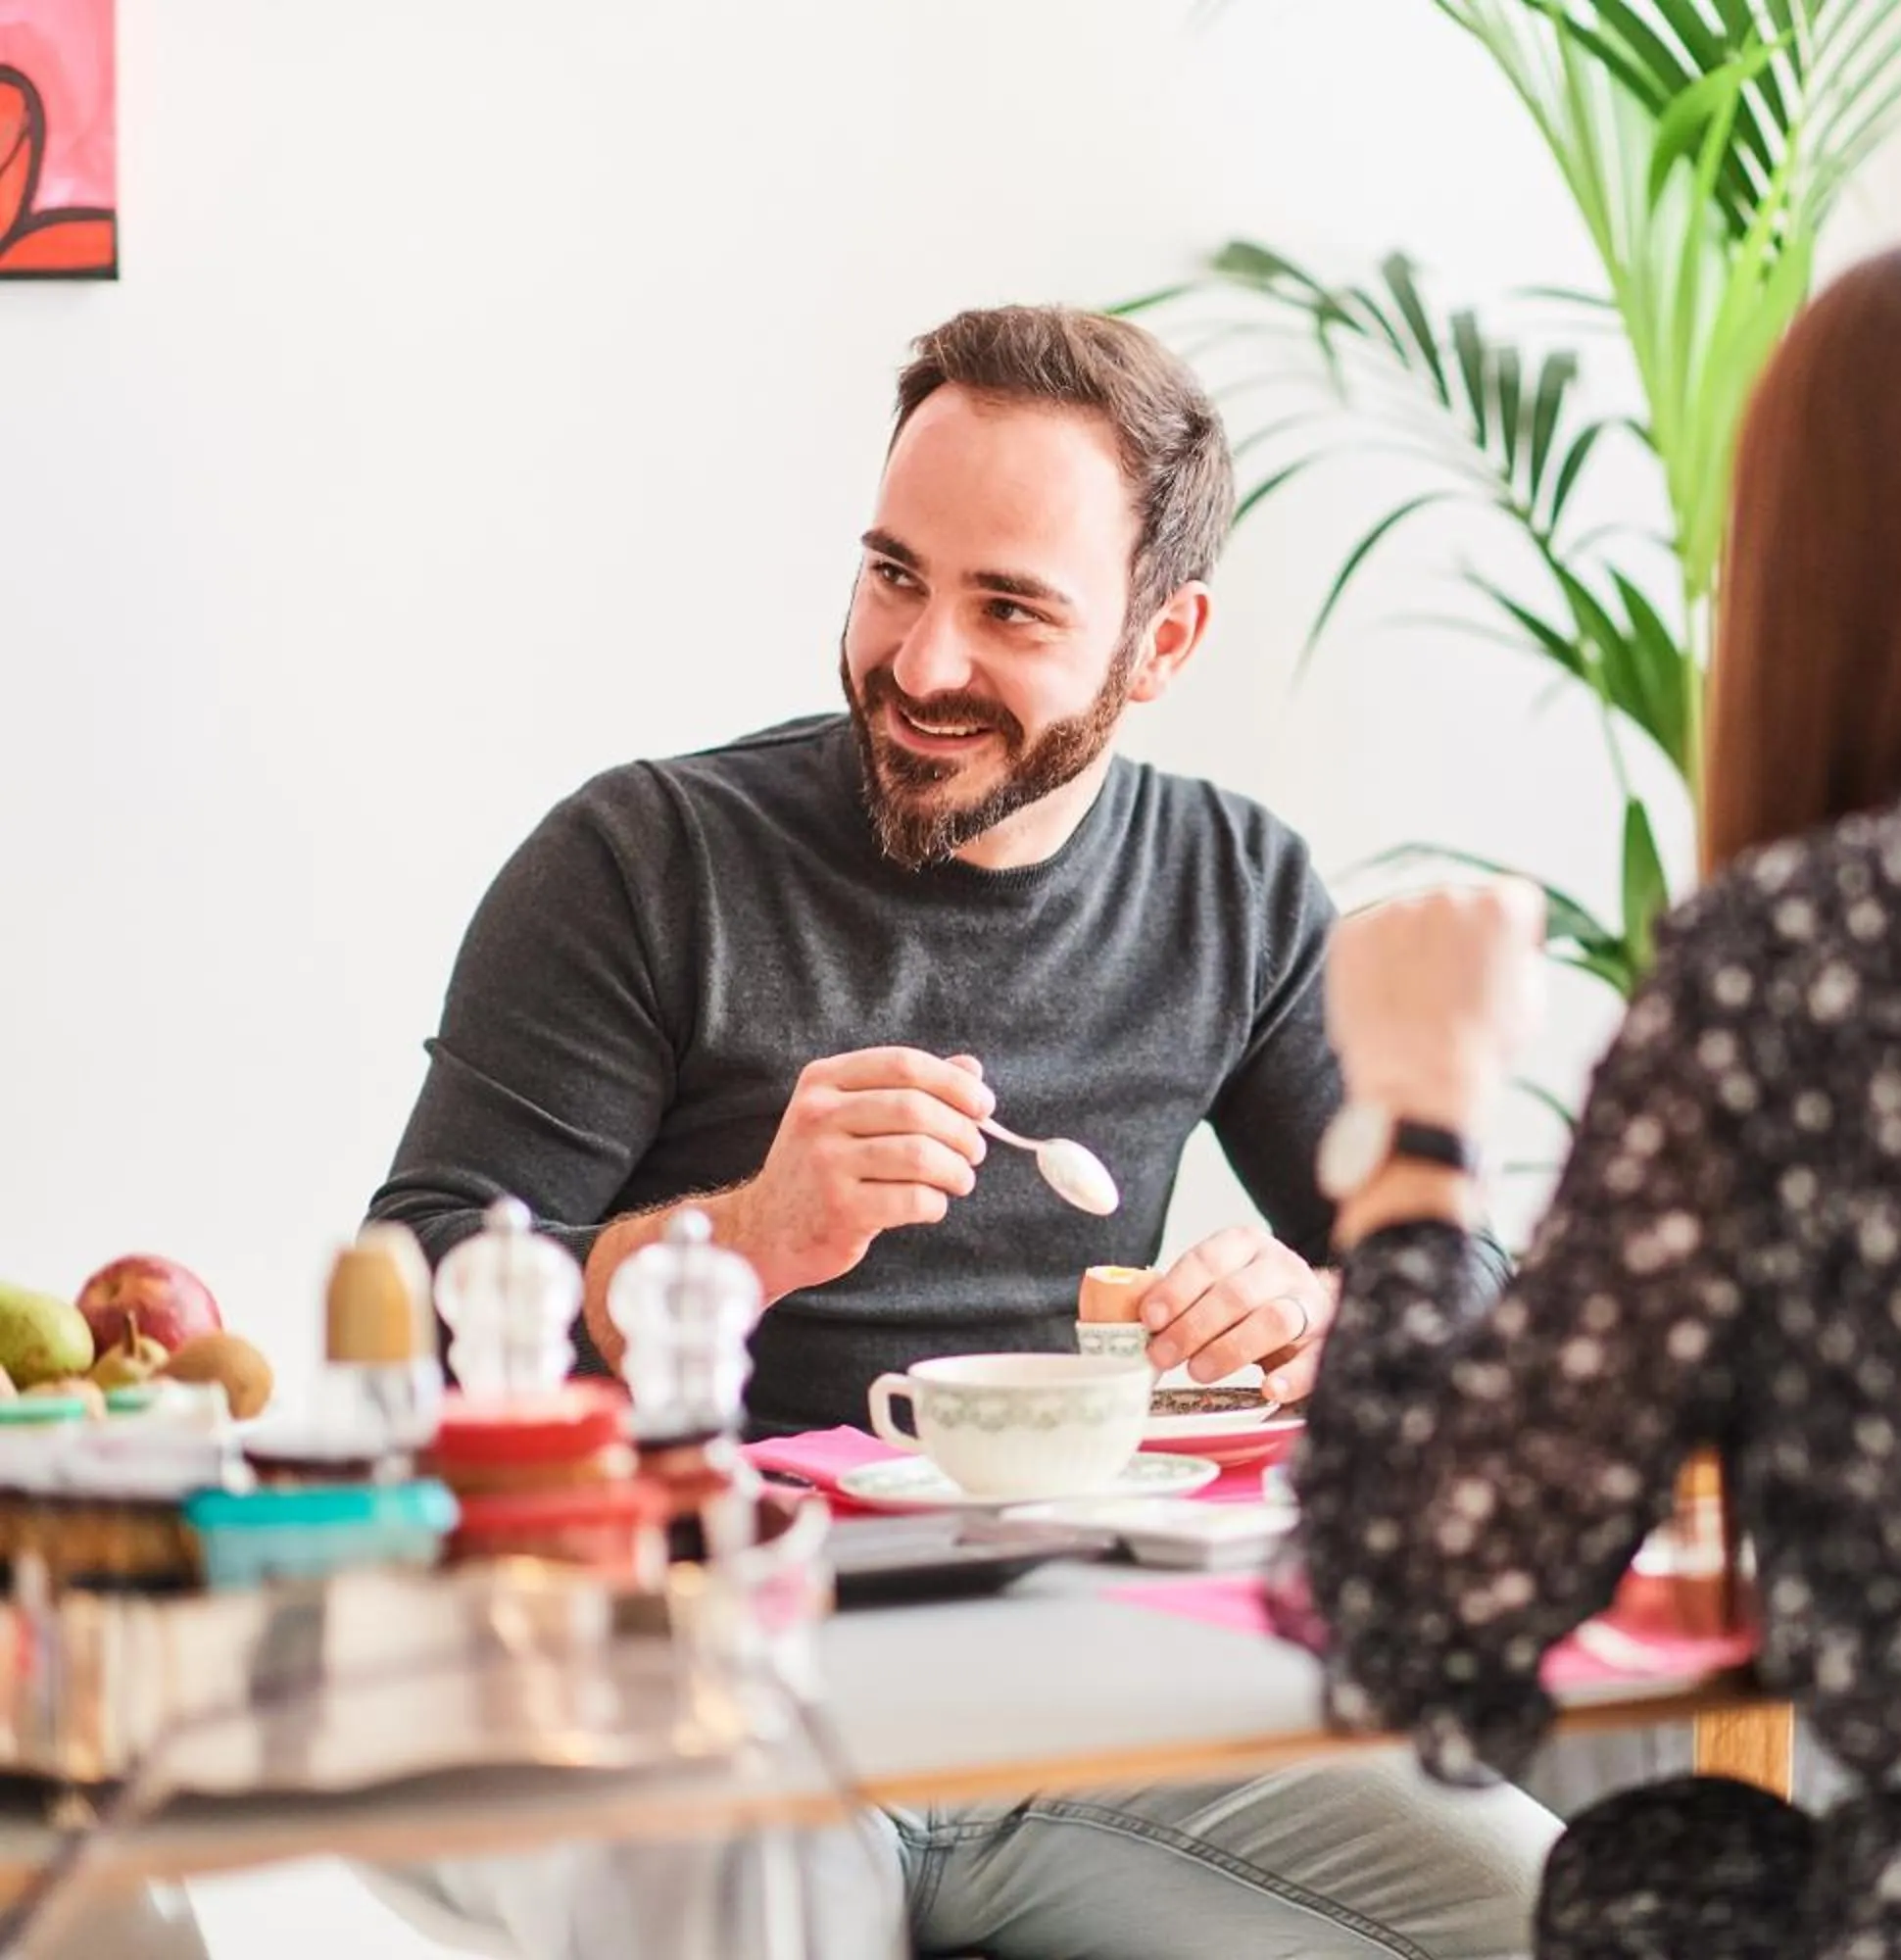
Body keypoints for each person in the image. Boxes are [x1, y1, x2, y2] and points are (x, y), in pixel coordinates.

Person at [366, 306, 1556, 1958]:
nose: (921, 663)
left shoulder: (1234, 892)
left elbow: (1476, 1306)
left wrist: (1323, 1316)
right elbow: (411, 1292)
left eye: (1010, 609)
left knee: (1555, 1919)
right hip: (713, 1686)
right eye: (894, 576)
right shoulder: (647, 861)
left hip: (1096, 1685)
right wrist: (745, 1240)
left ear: (1164, 642)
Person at [1284, 233, 1901, 1958]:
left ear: (1816, 570)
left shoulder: (1809, 953)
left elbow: (1433, 1599)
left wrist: (1422, 1118)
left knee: (1651, 1879)